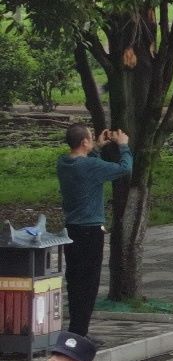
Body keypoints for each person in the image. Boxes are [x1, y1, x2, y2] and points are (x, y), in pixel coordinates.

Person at [52, 126, 131, 334]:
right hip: (90, 232)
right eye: (90, 137)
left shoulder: (63, 163)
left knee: (75, 281)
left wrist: (97, 148)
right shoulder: (90, 166)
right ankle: (80, 333)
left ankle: (76, 330)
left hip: (71, 230)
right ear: (84, 142)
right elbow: (124, 168)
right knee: (89, 283)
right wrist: (123, 146)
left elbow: (89, 168)